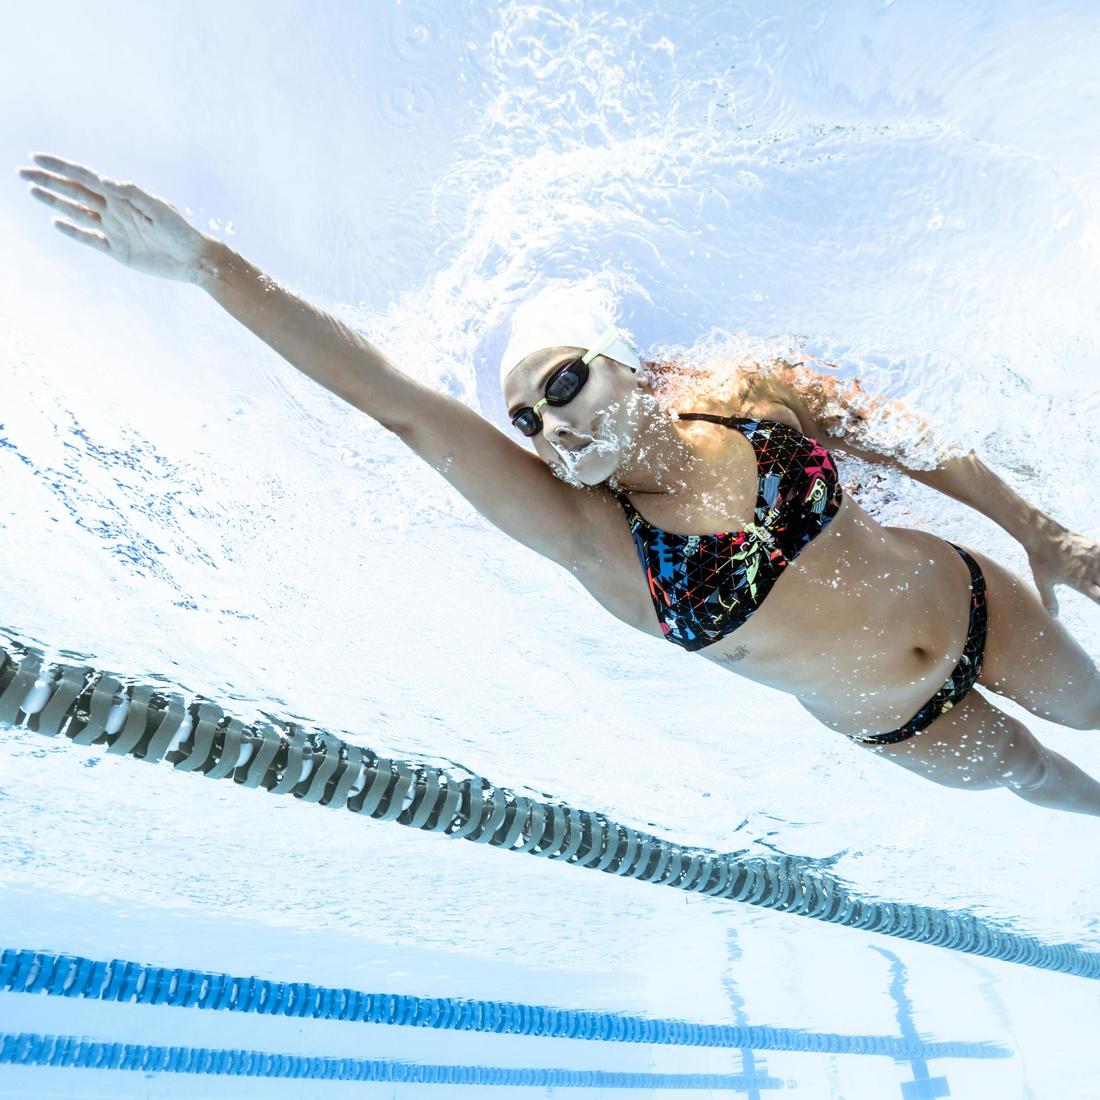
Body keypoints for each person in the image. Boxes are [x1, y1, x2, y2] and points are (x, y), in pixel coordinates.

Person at [17, 151, 1100, 816]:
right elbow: (398, 406)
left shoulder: (750, 391)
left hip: (976, 602)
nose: (548, 422)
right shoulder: (602, 547)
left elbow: (904, 435)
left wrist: (1037, 529)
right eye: (527, 418)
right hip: (903, 725)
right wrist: (212, 268)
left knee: (1094, 704)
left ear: (623, 360)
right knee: (1041, 782)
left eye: (564, 381)